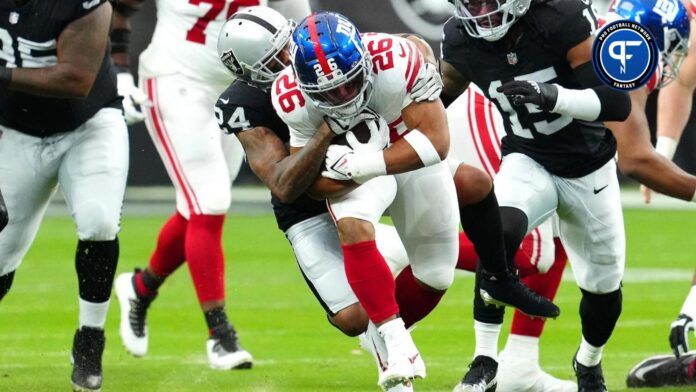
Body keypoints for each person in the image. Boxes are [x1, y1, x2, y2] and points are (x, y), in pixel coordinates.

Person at [275, 11, 558, 390]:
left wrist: (362, 163)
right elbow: (313, 185)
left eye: (349, 84)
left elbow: (435, 144)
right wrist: (346, 169)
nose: (343, 96)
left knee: (436, 273)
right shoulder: (290, 96)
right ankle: (394, 339)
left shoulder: (395, 59)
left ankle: (390, 306)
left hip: (406, 159)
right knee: (354, 224)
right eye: (328, 92)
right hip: (355, 175)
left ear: (364, 61)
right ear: (304, 85)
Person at [214, 8, 428, 390]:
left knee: (436, 252)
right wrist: (326, 131)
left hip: (367, 172)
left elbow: (412, 47)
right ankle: (387, 275)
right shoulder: (245, 104)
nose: (289, 63)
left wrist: (423, 75)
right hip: (309, 205)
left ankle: (498, 268)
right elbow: (283, 184)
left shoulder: (321, 52)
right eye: (275, 61)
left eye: (286, 48)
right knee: (352, 319)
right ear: (251, 75)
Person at [440, 0, 637, 390]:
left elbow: (617, 103)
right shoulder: (460, 38)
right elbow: (433, 101)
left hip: (589, 168)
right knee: (497, 233)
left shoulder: (561, 19)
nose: (481, 13)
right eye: (470, 3)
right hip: (528, 158)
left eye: (487, 2)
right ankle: (484, 360)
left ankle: (588, 361)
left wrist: (551, 95)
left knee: (603, 292)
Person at [110, 0, 311, 370]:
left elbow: (301, 25)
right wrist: (119, 70)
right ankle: (220, 336)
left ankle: (140, 288)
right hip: (176, 77)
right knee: (210, 201)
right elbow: (118, 8)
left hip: (240, 89)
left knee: (198, 209)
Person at [0, 1, 128, 391]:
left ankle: (90, 339)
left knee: (98, 221)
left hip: (87, 125)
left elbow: (76, 79)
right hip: (14, 130)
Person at [448, 84, 576, 392]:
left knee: (562, 219)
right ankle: (399, 247)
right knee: (532, 251)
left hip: (542, 109)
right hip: (498, 99)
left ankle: (521, 361)